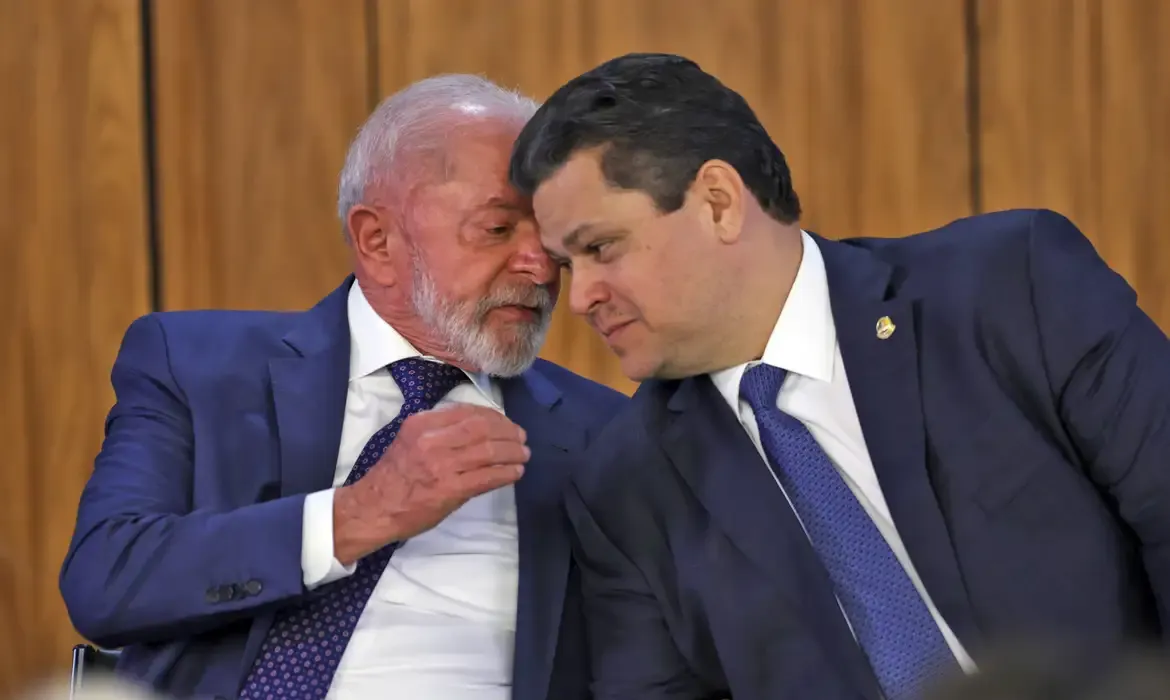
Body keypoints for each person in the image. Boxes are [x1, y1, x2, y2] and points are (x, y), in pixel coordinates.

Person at [507, 52, 1170, 700]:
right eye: (568, 266)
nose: (580, 298)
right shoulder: (627, 485)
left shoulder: (1008, 289)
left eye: (600, 248)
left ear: (717, 202)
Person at [59, 74, 627, 700]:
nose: (540, 267)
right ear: (376, 240)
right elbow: (105, 582)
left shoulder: (604, 435)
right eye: (497, 229)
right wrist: (357, 514)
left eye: (549, 239)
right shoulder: (197, 365)